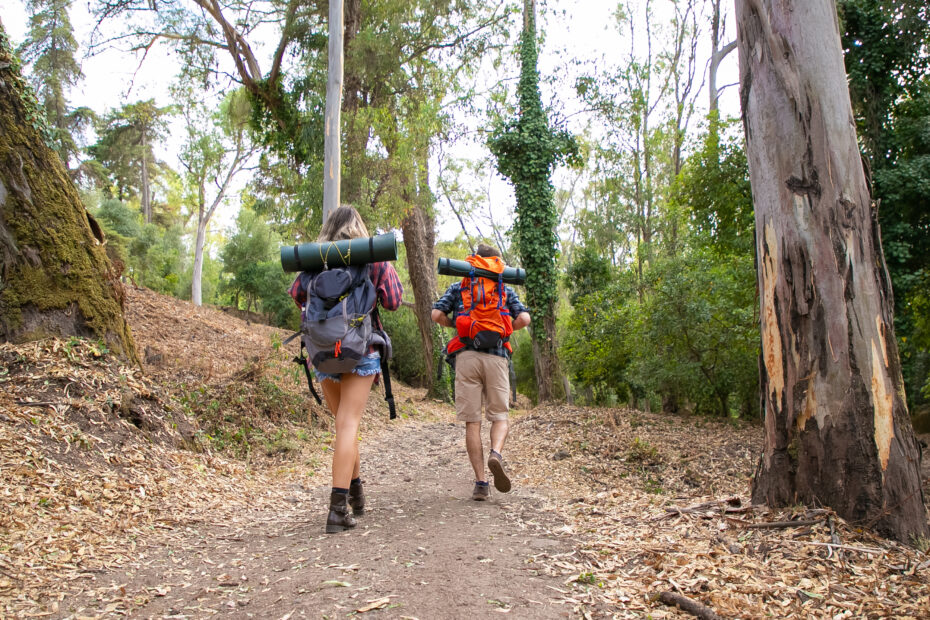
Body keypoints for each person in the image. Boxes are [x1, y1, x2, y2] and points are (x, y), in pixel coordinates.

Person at [289, 206, 403, 532]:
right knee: (348, 424)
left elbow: (298, 295)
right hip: (360, 348)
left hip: (323, 351)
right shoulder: (372, 258)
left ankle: (356, 493)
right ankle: (337, 510)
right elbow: (393, 300)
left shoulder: (315, 259)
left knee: (343, 425)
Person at [431, 244, 531, 501]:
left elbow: (436, 314)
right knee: (499, 416)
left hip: (466, 356)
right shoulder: (503, 288)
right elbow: (525, 319)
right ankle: (495, 453)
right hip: (497, 357)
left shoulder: (460, 287)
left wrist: (458, 323)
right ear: (497, 263)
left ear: (474, 262)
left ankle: (480, 483)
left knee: (472, 421)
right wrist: (503, 330)